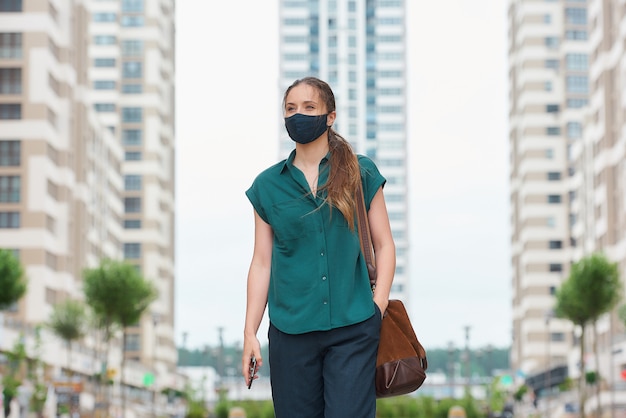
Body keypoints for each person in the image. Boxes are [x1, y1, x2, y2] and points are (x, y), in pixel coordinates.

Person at [241, 77, 396, 418]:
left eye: (309, 107)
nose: (299, 115)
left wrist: (378, 305)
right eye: (291, 109)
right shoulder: (267, 187)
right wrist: (250, 331)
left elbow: (384, 245)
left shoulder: (361, 172)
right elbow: (262, 262)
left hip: (354, 326)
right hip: (290, 332)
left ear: (330, 116)